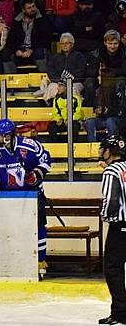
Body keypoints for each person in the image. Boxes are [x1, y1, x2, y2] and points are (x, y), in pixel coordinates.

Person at [0, 118, 52, 276]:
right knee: (12, 230)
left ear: (7, 135)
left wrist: (37, 173)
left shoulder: (29, 145)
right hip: (8, 199)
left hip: (32, 195)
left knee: (38, 227)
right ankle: (14, 261)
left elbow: (46, 159)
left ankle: (40, 262)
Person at [98, 135, 126, 325]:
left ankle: (120, 312)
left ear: (110, 151)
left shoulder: (111, 171)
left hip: (120, 226)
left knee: (114, 269)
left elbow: (111, 201)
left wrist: (105, 216)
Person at [4, 0, 52, 73]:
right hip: (21, 52)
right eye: (29, 8)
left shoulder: (42, 20)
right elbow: (10, 40)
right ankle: (12, 81)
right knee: (6, 54)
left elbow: (46, 40)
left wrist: (31, 49)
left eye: (33, 6)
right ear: (23, 10)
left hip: (35, 50)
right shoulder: (17, 21)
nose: (32, 9)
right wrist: (16, 50)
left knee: (40, 52)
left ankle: (44, 79)